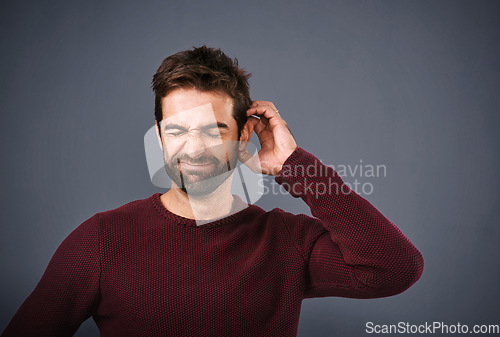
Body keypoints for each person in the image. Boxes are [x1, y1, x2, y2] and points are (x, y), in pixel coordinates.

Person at [1, 45, 424, 337]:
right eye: (178, 130)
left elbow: (394, 268)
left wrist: (294, 166)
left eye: (213, 129)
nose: (194, 146)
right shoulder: (100, 241)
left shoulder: (286, 242)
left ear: (243, 138)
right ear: (160, 137)